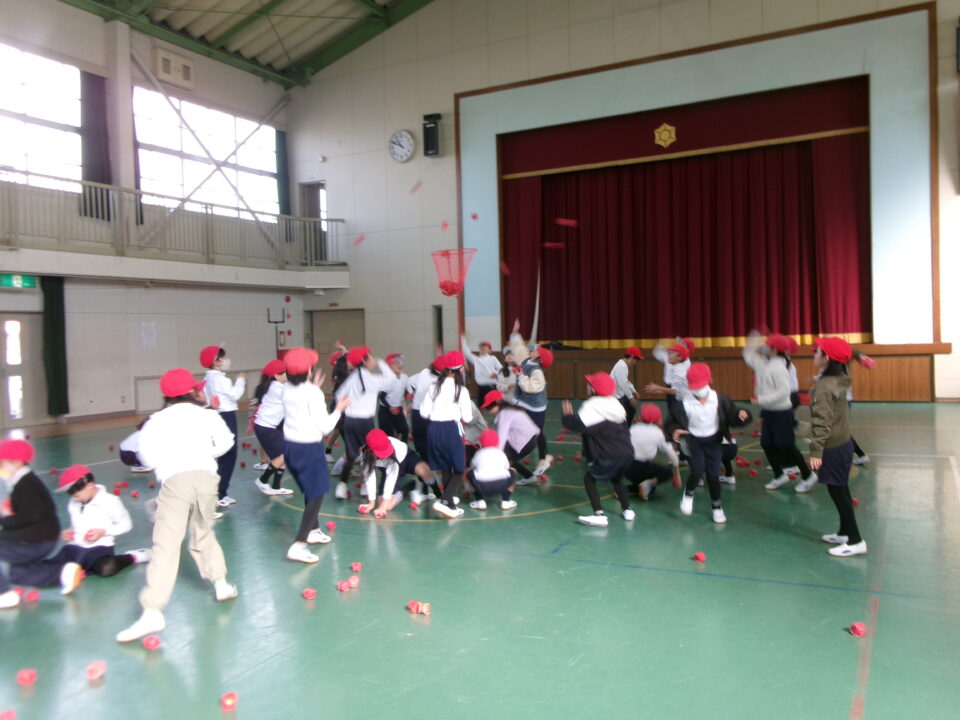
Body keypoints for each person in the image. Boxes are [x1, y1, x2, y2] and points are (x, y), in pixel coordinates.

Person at [116, 368, 238, 642]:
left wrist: (169, 460)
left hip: (175, 483)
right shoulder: (208, 415)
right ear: (192, 391)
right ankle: (221, 584)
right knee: (202, 532)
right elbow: (225, 444)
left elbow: (146, 457)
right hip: (207, 480)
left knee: (166, 544)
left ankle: (153, 611)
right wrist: (204, 452)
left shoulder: (156, 421)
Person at [282, 348, 351, 563]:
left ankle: (313, 529)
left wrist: (313, 388)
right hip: (308, 448)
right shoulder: (313, 393)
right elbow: (326, 427)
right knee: (317, 493)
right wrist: (339, 409)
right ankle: (299, 544)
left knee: (311, 489)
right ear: (309, 370)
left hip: (291, 447)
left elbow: (304, 400)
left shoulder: (287, 388)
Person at [666, 362, 752, 524]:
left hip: (714, 441)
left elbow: (733, 415)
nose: (699, 391)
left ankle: (716, 507)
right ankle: (688, 494)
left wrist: (742, 415)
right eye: (695, 387)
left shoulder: (721, 400)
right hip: (693, 441)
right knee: (697, 469)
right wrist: (675, 431)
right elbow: (671, 423)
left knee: (713, 475)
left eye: (701, 386)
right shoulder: (683, 404)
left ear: (710, 381)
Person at [46, 464, 149, 595]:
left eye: (77, 496)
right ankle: (77, 569)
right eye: (73, 496)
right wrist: (69, 532)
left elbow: (126, 524)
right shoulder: (74, 502)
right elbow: (77, 524)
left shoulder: (110, 501)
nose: (75, 499)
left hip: (99, 549)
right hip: (76, 547)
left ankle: (133, 557)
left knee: (106, 569)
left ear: (90, 485)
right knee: (50, 566)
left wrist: (103, 532)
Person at [809, 337, 869, 557]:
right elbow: (846, 356)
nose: (815, 353)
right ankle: (844, 532)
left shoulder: (825, 385)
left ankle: (855, 540)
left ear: (827, 358)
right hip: (844, 443)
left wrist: (816, 451)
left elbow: (822, 420)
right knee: (841, 489)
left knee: (838, 492)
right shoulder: (842, 376)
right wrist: (858, 355)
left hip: (833, 446)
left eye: (818, 351)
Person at [742, 331, 817, 492]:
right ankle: (779, 475)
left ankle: (808, 475)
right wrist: (752, 341)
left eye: (768, 346)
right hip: (769, 411)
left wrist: (761, 399)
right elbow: (750, 357)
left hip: (781, 412)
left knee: (786, 445)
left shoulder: (779, 368)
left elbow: (783, 392)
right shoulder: (769, 363)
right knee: (766, 443)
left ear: (774, 350)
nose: (765, 347)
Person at [561, 372, 635, 527]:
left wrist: (567, 416)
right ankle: (627, 510)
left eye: (590, 384)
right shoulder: (616, 403)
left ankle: (599, 514)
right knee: (617, 478)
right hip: (627, 452)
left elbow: (577, 425)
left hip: (608, 454)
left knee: (589, 479)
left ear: (594, 390)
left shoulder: (592, 405)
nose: (587, 386)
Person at [0, 440, 60, 610]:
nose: (0, 467)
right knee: (17, 574)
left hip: (37, 540)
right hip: (41, 537)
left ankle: (4, 594)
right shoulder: (22, 481)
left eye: (2, 463)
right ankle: (62, 574)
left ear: (17, 463)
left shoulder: (26, 484)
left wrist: (5, 522)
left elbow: (32, 516)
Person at [333, 345, 395, 500]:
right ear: (365, 361)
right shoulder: (371, 379)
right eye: (371, 357)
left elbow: (339, 395)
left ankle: (341, 487)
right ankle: (365, 487)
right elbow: (391, 379)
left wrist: (350, 403)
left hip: (349, 421)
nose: (373, 359)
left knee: (351, 454)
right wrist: (381, 363)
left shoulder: (351, 378)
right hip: (365, 422)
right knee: (368, 454)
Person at [420, 350, 474, 519]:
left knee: (445, 467)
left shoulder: (433, 387)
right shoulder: (461, 390)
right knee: (459, 468)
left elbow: (423, 412)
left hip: (433, 429)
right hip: (451, 429)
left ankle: (450, 504)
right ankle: (444, 500)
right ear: (460, 369)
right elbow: (468, 418)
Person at [200, 344, 247, 508]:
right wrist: (241, 380)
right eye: (224, 357)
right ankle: (220, 493)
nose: (226, 360)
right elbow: (235, 394)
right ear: (216, 361)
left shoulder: (207, 378)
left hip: (216, 415)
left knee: (223, 454)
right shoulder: (220, 379)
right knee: (229, 454)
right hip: (226, 416)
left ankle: (219, 492)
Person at [509, 320, 554, 476]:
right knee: (533, 431)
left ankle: (541, 459)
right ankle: (542, 458)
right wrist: (515, 335)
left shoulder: (537, 372)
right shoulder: (526, 360)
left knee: (535, 432)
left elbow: (531, 387)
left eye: (537, 351)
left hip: (535, 408)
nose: (534, 350)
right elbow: (519, 349)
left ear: (539, 358)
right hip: (525, 404)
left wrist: (521, 376)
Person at [357, 429, 433, 518]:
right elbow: (369, 477)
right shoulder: (365, 456)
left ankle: (420, 485)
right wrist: (371, 503)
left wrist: (383, 505)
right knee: (387, 506)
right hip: (388, 468)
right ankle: (404, 490)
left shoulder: (393, 452)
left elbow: (391, 478)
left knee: (425, 471)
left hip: (405, 458)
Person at [480, 389, 540, 485]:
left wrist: (496, 453)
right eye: (488, 409)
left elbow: (502, 436)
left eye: (490, 407)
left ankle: (496, 480)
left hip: (524, 442)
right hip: (530, 440)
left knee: (502, 458)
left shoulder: (504, 413)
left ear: (498, 402)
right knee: (509, 460)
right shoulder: (510, 408)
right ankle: (529, 477)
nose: (490, 412)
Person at [252, 358, 293, 496]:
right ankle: (262, 480)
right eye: (285, 372)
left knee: (280, 457)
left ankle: (276, 487)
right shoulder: (277, 388)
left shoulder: (277, 385)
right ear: (277, 375)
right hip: (266, 427)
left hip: (267, 426)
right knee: (285, 454)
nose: (288, 374)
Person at [626, 404, 681, 501]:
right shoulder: (658, 433)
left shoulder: (633, 429)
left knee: (651, 488)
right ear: (659, 419)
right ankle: (645, 486)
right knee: (667, 473)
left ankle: (626, 489)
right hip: (642, 467)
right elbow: (672, 454)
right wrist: (677, 474)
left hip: (627, 468)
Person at [467, 430, 517, 511]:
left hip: (482, 486)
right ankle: (506, 501)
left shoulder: (478, 453)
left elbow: (472, 467)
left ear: (481, 443)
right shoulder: (501, 453)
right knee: (513, 471)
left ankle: (479, 501)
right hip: (502, 485)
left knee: (468, 472)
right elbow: (507, 467)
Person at [645, 337, 694, 418]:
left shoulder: (682, 368)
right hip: (673, 391)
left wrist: (659, 388)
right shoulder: (675, 359)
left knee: (677, 416)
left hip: (680, 398)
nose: (668, 355)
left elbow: (677, 391)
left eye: (683, 344)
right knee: (673, 414)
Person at [377, 353, 410, 442]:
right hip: (385, 410)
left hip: (398, 408)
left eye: (400, 362)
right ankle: (389, 450)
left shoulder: (404, 377)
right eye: (395, 363)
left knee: (404, 430)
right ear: (389, 366)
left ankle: (403, 448)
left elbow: (403, 390)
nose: (399, 365)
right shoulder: (387, 379)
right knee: (388, 435)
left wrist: (408, 395)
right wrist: (390, 407)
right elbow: (381, 396)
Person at [462, 335, 503, 406]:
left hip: (492, 386)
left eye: (485, 346)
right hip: (481, 386)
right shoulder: (476, 359)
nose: (482, 347)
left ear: (489, 350)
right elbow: (467, 353)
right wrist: (462, 339)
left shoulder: (492, 358)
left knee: (494, 405)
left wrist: (496, 374)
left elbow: (501, 369)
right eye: (481, 347)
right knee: (481, 405)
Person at [611, 346, 644, 425]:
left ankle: (625, 428)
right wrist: (631, 397)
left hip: (620, 395)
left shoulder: (623, 365)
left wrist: (633, 390)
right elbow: (622, 383)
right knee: (627, 412)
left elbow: (625, 381)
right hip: (616, 397)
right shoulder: (621, 366)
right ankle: (623, 429)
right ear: (632, 357)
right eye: (636, 360)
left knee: (630, 411)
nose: (636, 362)